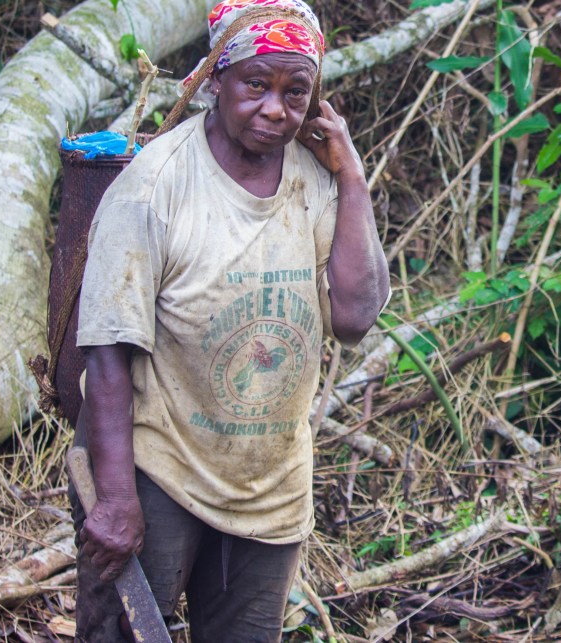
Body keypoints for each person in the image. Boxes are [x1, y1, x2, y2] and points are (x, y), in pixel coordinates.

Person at [69, 0, 390, 640]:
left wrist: (352, 179)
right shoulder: (155, 183)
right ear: (215, 81)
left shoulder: (315, 181)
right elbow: (106, 351)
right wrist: (116, 499)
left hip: (271, 490)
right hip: (160, 474)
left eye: (295, 91)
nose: (276, 108)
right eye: (255, 85)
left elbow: (354, 317)